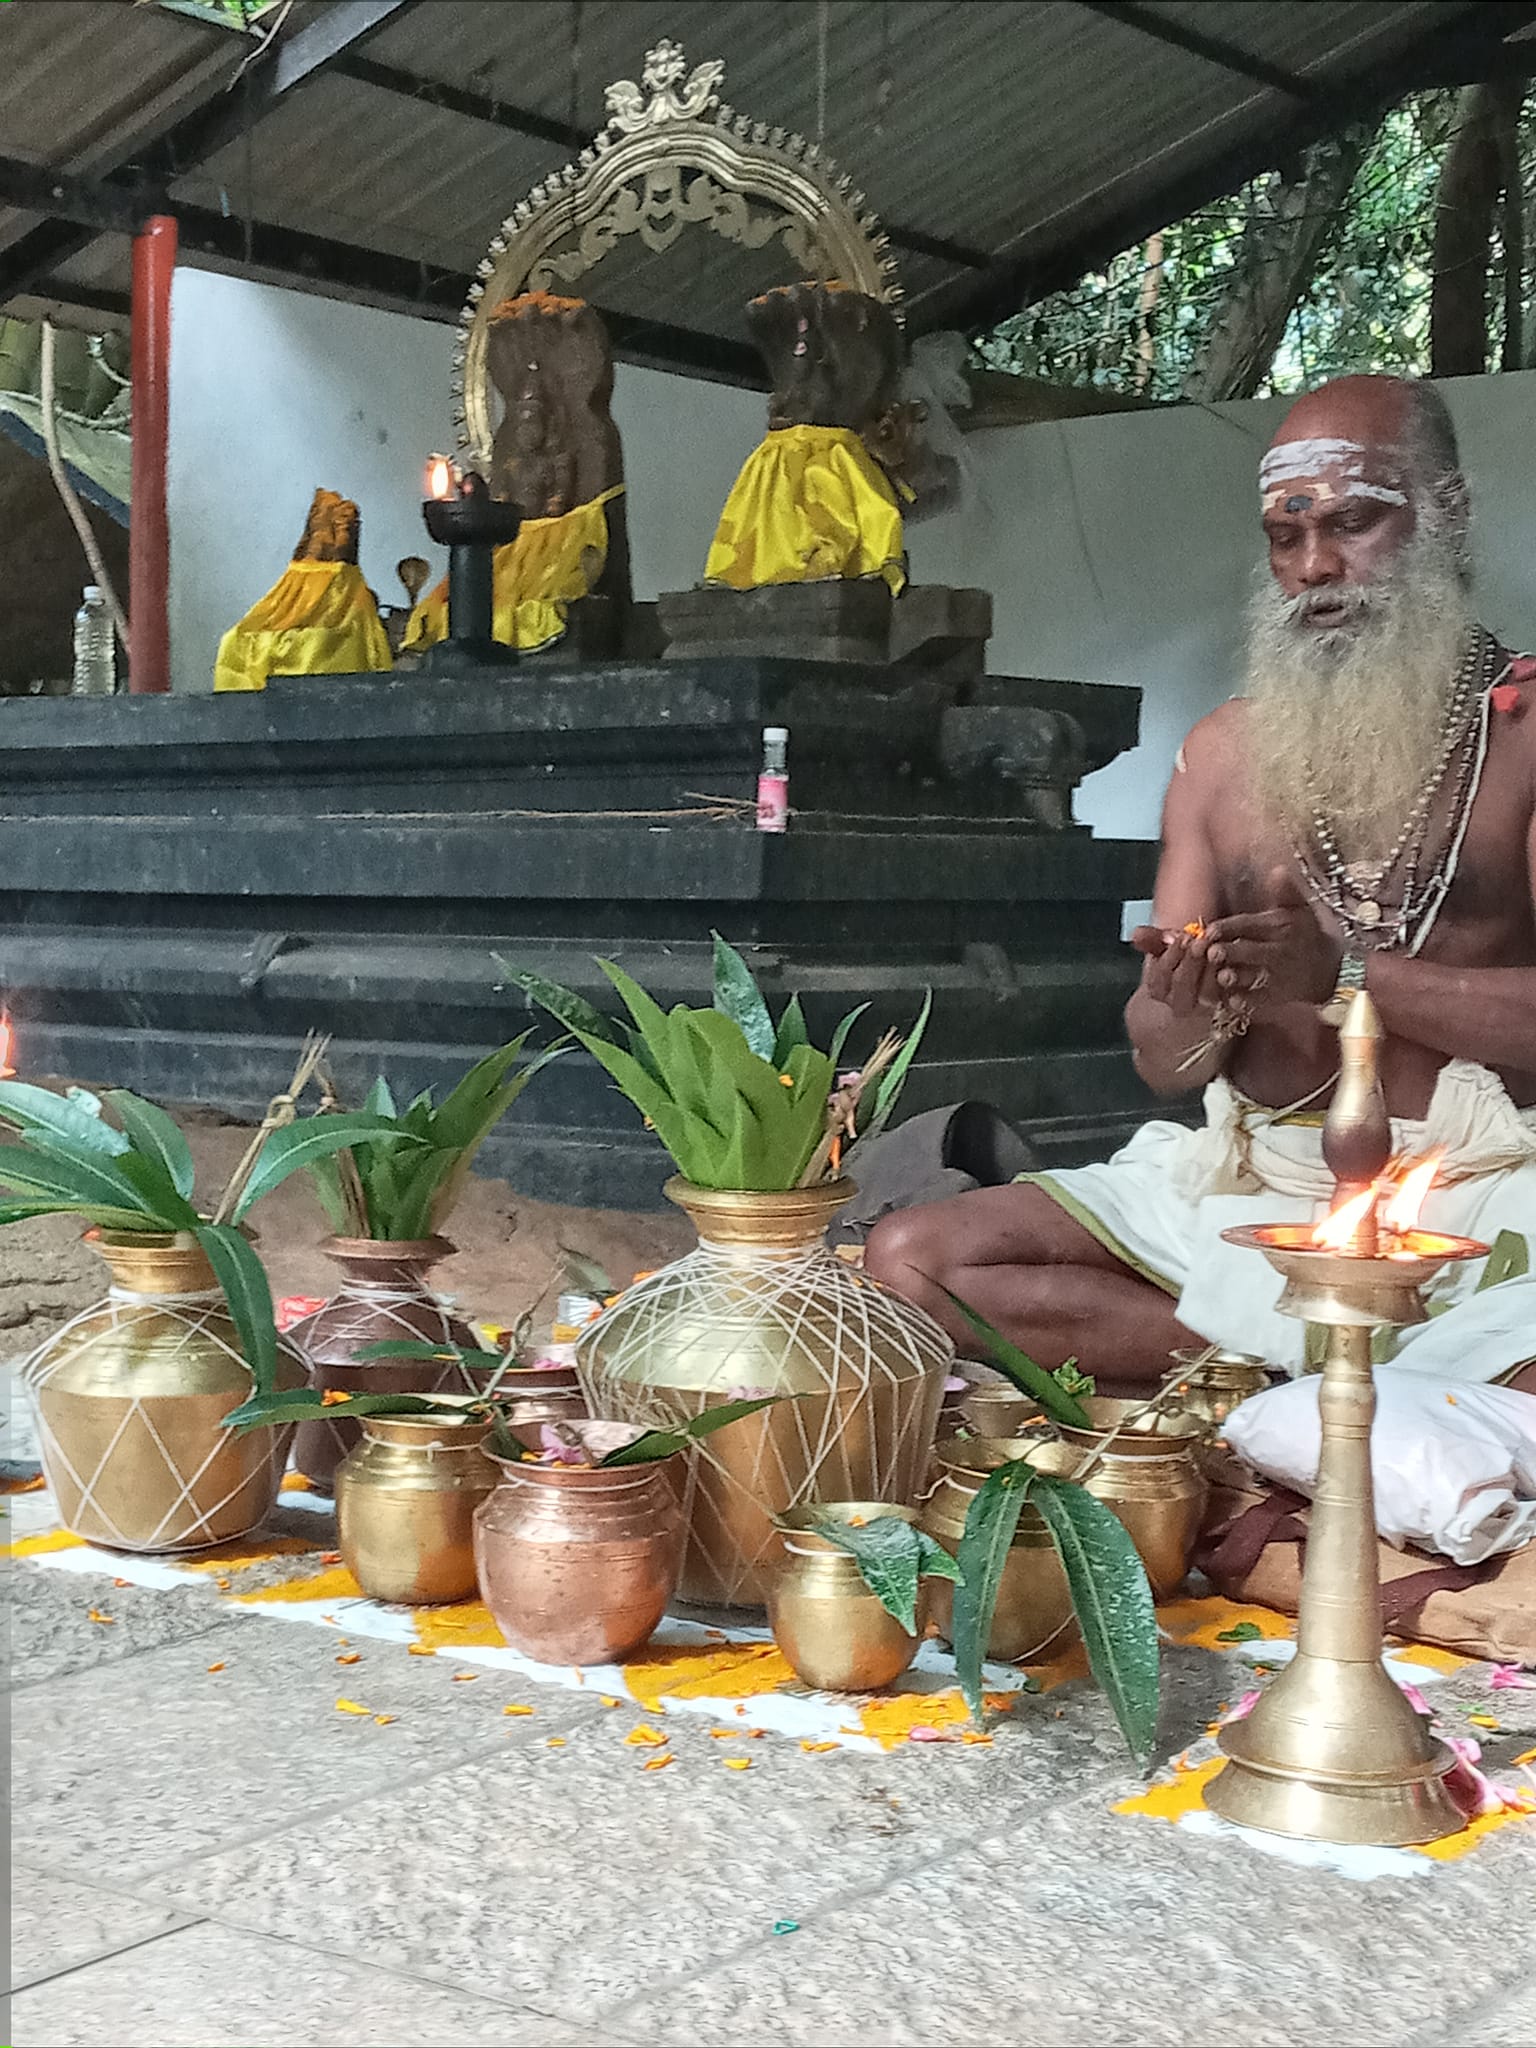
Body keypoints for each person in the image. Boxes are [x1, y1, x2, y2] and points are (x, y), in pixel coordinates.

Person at [866, 375, 1536, 1393]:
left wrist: (1346, 972)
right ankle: (1294, 1379)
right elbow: (1166, 1064)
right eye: (1285, 534)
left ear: (1444, 512)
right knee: (912, 1257)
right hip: (1256, 1186)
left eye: (1355, 523)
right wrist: (1187, 1013)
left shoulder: (1523, 729)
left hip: (1480, 1193)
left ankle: (1341, 1379)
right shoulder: (1221, 757)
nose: (1315, 566)